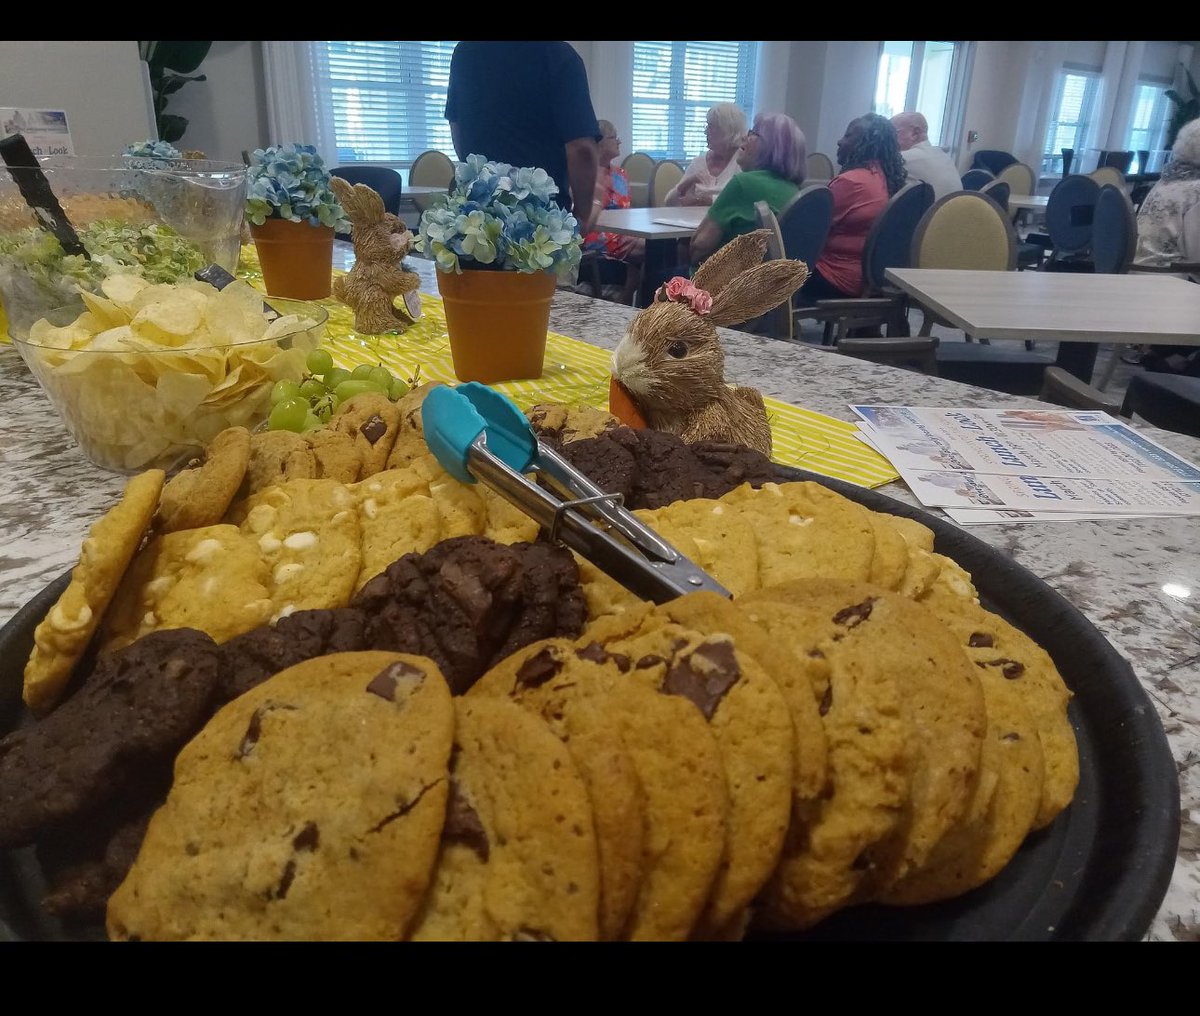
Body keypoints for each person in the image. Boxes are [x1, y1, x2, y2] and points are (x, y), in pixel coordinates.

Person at [444, 41, 600, 231]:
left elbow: (456, 126)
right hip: (541, 218)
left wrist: (477, 175)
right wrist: (582, 217)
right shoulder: (558, 54)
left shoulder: (464, 51)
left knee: (474, 259)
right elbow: (581, 148)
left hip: (477, 215)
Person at [797, 113, 908, 302]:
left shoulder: (852, 182)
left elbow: (808, 232)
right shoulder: (884, 178)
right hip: (867, 277)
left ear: (866, 144)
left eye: (848, 136)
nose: (840, 141)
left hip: (835, 276)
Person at [688, 112, 808, 264]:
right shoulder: (794, 191)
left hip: (722, 284)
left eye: (753, 133)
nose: (744, 137)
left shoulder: (743, 184)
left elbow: (699, 246)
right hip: (770, 285)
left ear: (770, 146)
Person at [1132, 117, 1200, 374]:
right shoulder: (1197, 189)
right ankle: (1179, 365)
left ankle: (1171, 357)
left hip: (1138, 275)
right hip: (1170, 285)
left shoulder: (1167, 180)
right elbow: (1196, 255)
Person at [580, 120, 645, 304]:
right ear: (599, 143)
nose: (619, 142)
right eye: (613, 137)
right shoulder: (585, 173)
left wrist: (633, 234)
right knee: (651, 253)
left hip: (622, 234)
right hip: (594, 234)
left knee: (653, 250)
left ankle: (638, 306)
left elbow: (627, 211)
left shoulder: (620, 174)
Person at [664, 102, 747, 207]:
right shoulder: (698, 162)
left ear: (728, 131)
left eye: (711, 127)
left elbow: (745, 202)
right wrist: (685, 184)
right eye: (707, 126)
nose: (705, 132)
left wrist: (707, 200)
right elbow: (669, 203)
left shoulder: (744, 162)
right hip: (691, 221)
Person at [891, 111, 963, 201]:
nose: (889, 140)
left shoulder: (903, 158)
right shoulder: (945, 157)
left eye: (894, 133)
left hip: (929, 214)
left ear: (915, 133)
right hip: (954, 213)